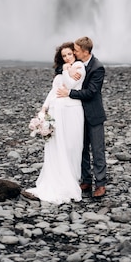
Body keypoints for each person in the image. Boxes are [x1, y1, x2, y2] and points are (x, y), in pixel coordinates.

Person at [27, 42, 86, 204]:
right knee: (55, 145)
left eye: (69, 54)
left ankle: (70, 180)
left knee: (70, 145)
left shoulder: (79, 66)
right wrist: (43, 109)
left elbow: (72, 85)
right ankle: (55, 179)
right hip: (56, 112)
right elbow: (54, 91)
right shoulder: (62, 71)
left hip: (71, 111)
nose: (67, 58)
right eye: (64, 56)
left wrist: (67, 69)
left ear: (75, 54)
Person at [57, 36, 107, 198]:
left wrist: (69, 93)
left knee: (97, 150)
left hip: (93, 114)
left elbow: (92, 92)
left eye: (76, 51)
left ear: (85, 52)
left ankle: (100, 184)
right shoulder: (74, 64)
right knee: (82, 148)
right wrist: (67, 68)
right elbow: (58, 69)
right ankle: (86, 180)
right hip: (77, 113)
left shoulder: (97, 67)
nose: (74, 53)